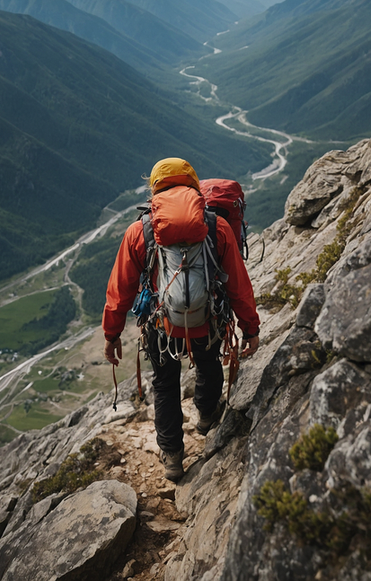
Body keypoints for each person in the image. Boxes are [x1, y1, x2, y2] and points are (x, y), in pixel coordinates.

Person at [103, 158, 260, 481]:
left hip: (162, 327)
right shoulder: (217, 227)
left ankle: (173, 456)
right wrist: (250, 328)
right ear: (193, 185)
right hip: (208, 321)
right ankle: (205, 417)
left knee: (164, 385)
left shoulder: (140, 230)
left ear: (155, 189)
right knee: (208, 364)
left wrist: (112, 333)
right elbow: (238, 286)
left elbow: (120, 289)